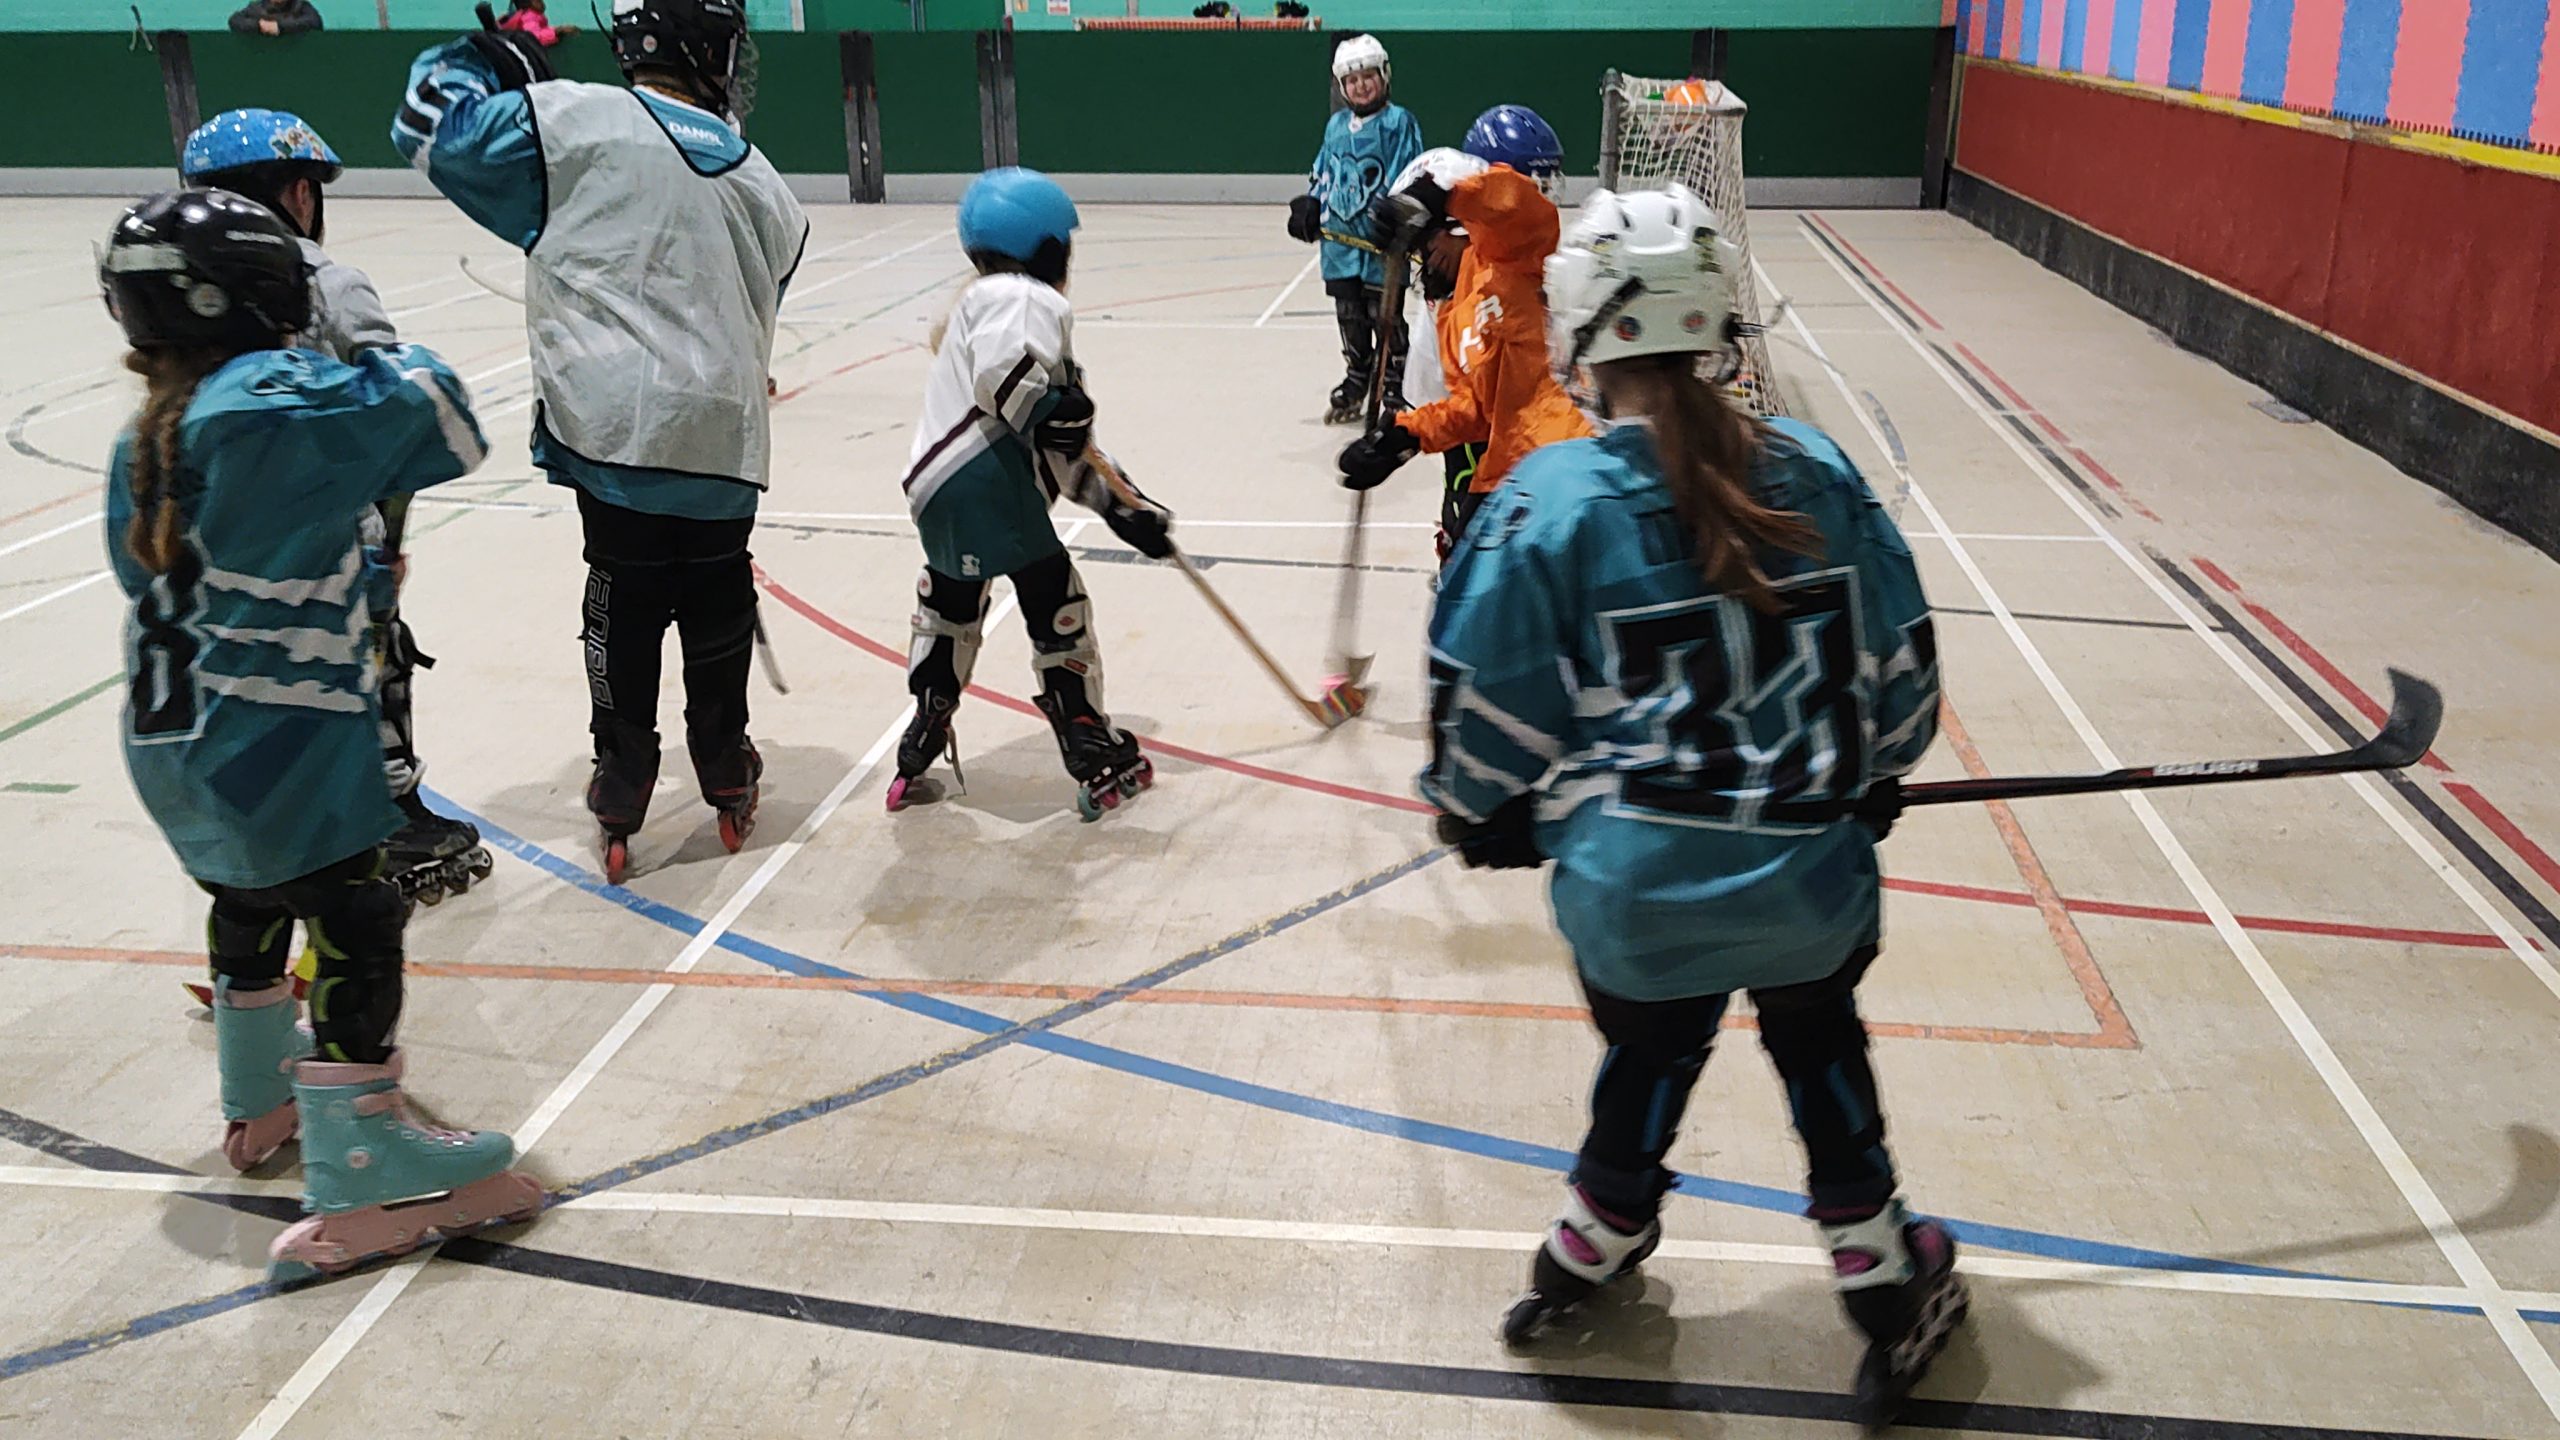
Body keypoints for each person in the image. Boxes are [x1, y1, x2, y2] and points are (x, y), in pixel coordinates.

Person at [1422, 183, 1960, 1425]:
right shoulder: (1819, 473)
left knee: (1654, 1033)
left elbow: (1483, 710)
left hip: (1630, 899)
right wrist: (1871, 775)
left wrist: (1480, 808)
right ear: (1716, 318)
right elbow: (1903, 682)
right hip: (1808, 888)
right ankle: (1875, 1258)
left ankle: (1598, 1229)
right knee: (1815, 1030)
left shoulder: (1547, 502)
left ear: (1581, 333)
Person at [98, 190, 538, 1272]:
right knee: (356, 912)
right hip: (276, 738)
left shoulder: (148, 430)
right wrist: (359, 330)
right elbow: (446, 418)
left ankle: (256, 1094)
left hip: (171, 741)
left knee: (248, 899)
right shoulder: (271, 402)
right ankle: (361, 1154)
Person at [392, 0, 810, 883]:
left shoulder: (571, 119)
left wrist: (500, 53)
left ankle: (622, 782)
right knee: (717, 600)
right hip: (724, 438)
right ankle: (725, 764)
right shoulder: (769, 182)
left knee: (620, 602)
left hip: (616, 426)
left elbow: (425, 119)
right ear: (706, 50)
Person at [181, 108, 494, 913]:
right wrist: (387, 542)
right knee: (370, 661)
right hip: (332, 531)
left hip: (222, 535)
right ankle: (383, 814)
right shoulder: (328, 280)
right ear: (297, 192)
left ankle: (267, 859)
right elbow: (392, 416)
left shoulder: (180, 291)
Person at [888, 168, 1176, 823]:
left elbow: (1065, 450)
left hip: (935, 490)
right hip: (985, 477)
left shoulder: (971, 306)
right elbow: (1018, 391)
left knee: (951, 601)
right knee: (1053, 596)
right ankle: (1084, 736)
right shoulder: (1019, 298)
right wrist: (1048, 404)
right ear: (1047, 249)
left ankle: (929, 717)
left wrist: (1128, 512)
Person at [1336, 140, 1591, 562]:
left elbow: (1519, 206)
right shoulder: (1451, 315)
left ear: (1459, 227)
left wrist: (1443, 194)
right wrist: (1408, 433)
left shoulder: (1511, 259)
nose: (1425, 260)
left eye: (1428, 242)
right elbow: (1474, 407)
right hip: (1513, 469)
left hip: (1566, 454)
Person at [1285, 33, 1421, 425]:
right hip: (1342, 249)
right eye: (1352, 80)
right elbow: (1324, 169)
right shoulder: (1336, 126)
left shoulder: (1398, 122)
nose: (1361, 85)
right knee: (1350, 316)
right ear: (1341, 86)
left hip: (1382, 248)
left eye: (1368, 76)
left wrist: (1395, 215)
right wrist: (1312, 203)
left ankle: (1394, 380)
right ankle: (1358, 376)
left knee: (1386, 316)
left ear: (1384, 75)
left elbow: (1408, 171)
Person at [498, 0, 576, 46]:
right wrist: (556, 32)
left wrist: (555, 29)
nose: (542, 2)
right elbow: (533, 37)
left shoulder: (529, 17)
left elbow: (537, 30)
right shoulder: (528, 17)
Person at [229, 0, 321, 35]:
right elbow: (235, 20)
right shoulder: (256, 8)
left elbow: (315, 22)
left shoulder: (301, 6)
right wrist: (259, 26)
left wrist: (280, 27)